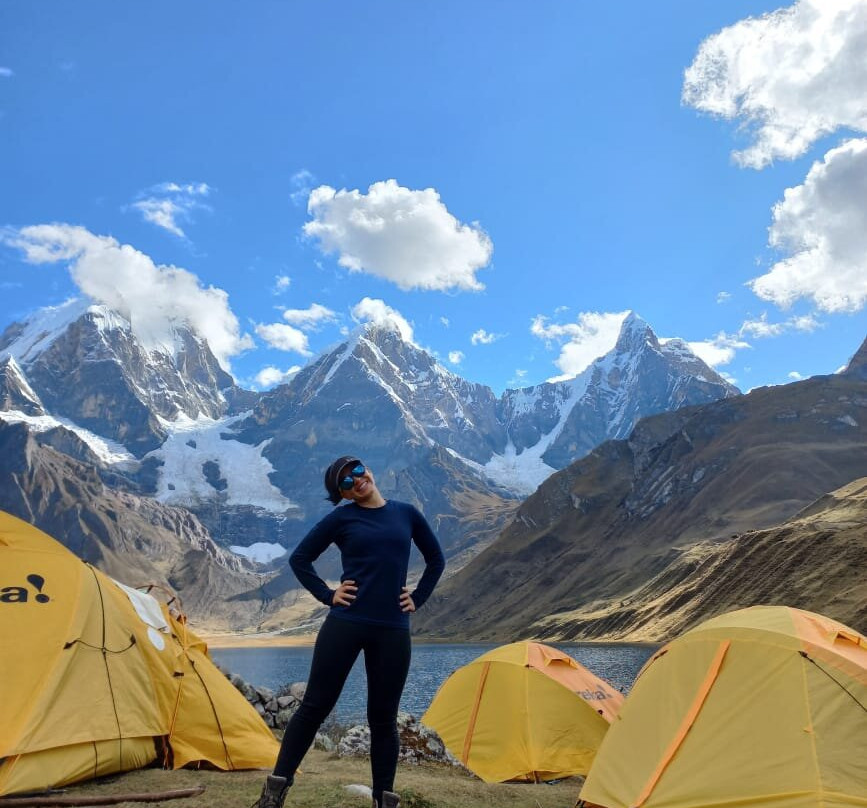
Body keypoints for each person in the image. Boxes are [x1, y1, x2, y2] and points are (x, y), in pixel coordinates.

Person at [251, 455, 446, 808]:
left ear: (368, 469)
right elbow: (300, 559)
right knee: (314, 706)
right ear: (343, 494)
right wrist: (328, 595)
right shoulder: (342, 518)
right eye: (346, 482)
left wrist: (417, 597)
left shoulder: (406, 513)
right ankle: (273, 796)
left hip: (393, 630)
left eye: (358, 471)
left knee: (383, 719)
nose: (356, 480)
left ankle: (383, 801)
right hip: (346, 624)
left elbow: (436, 559)